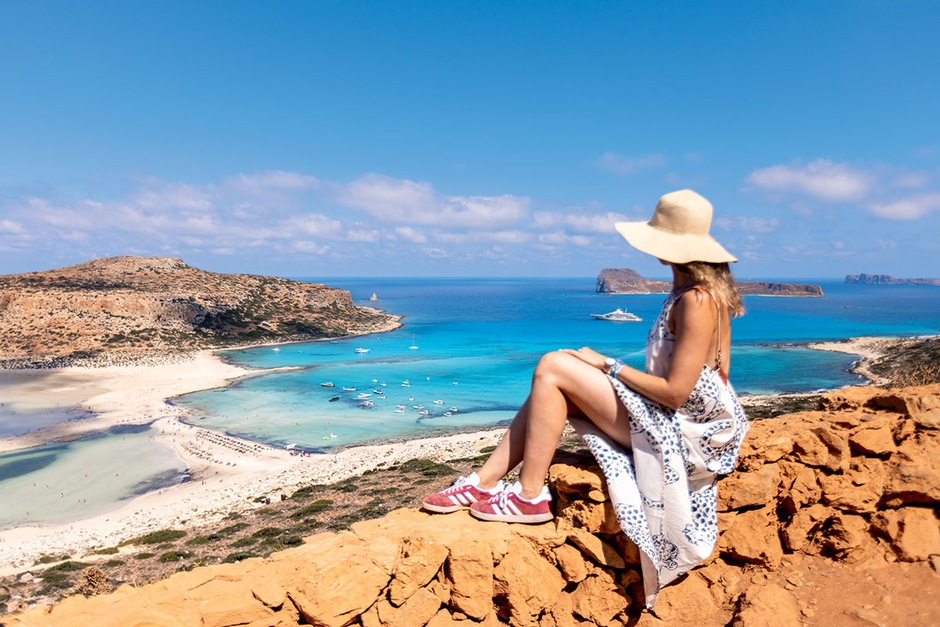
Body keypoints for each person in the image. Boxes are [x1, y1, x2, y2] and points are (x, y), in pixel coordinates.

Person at [422, 189, 750, 607]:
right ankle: (484, 482)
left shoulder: (697, 300)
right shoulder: (702, 292)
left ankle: (528, 496)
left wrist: (608, 366)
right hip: (689, 428)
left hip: (685, 440)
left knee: (553, 366)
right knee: (554, 383)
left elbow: (675, 393)